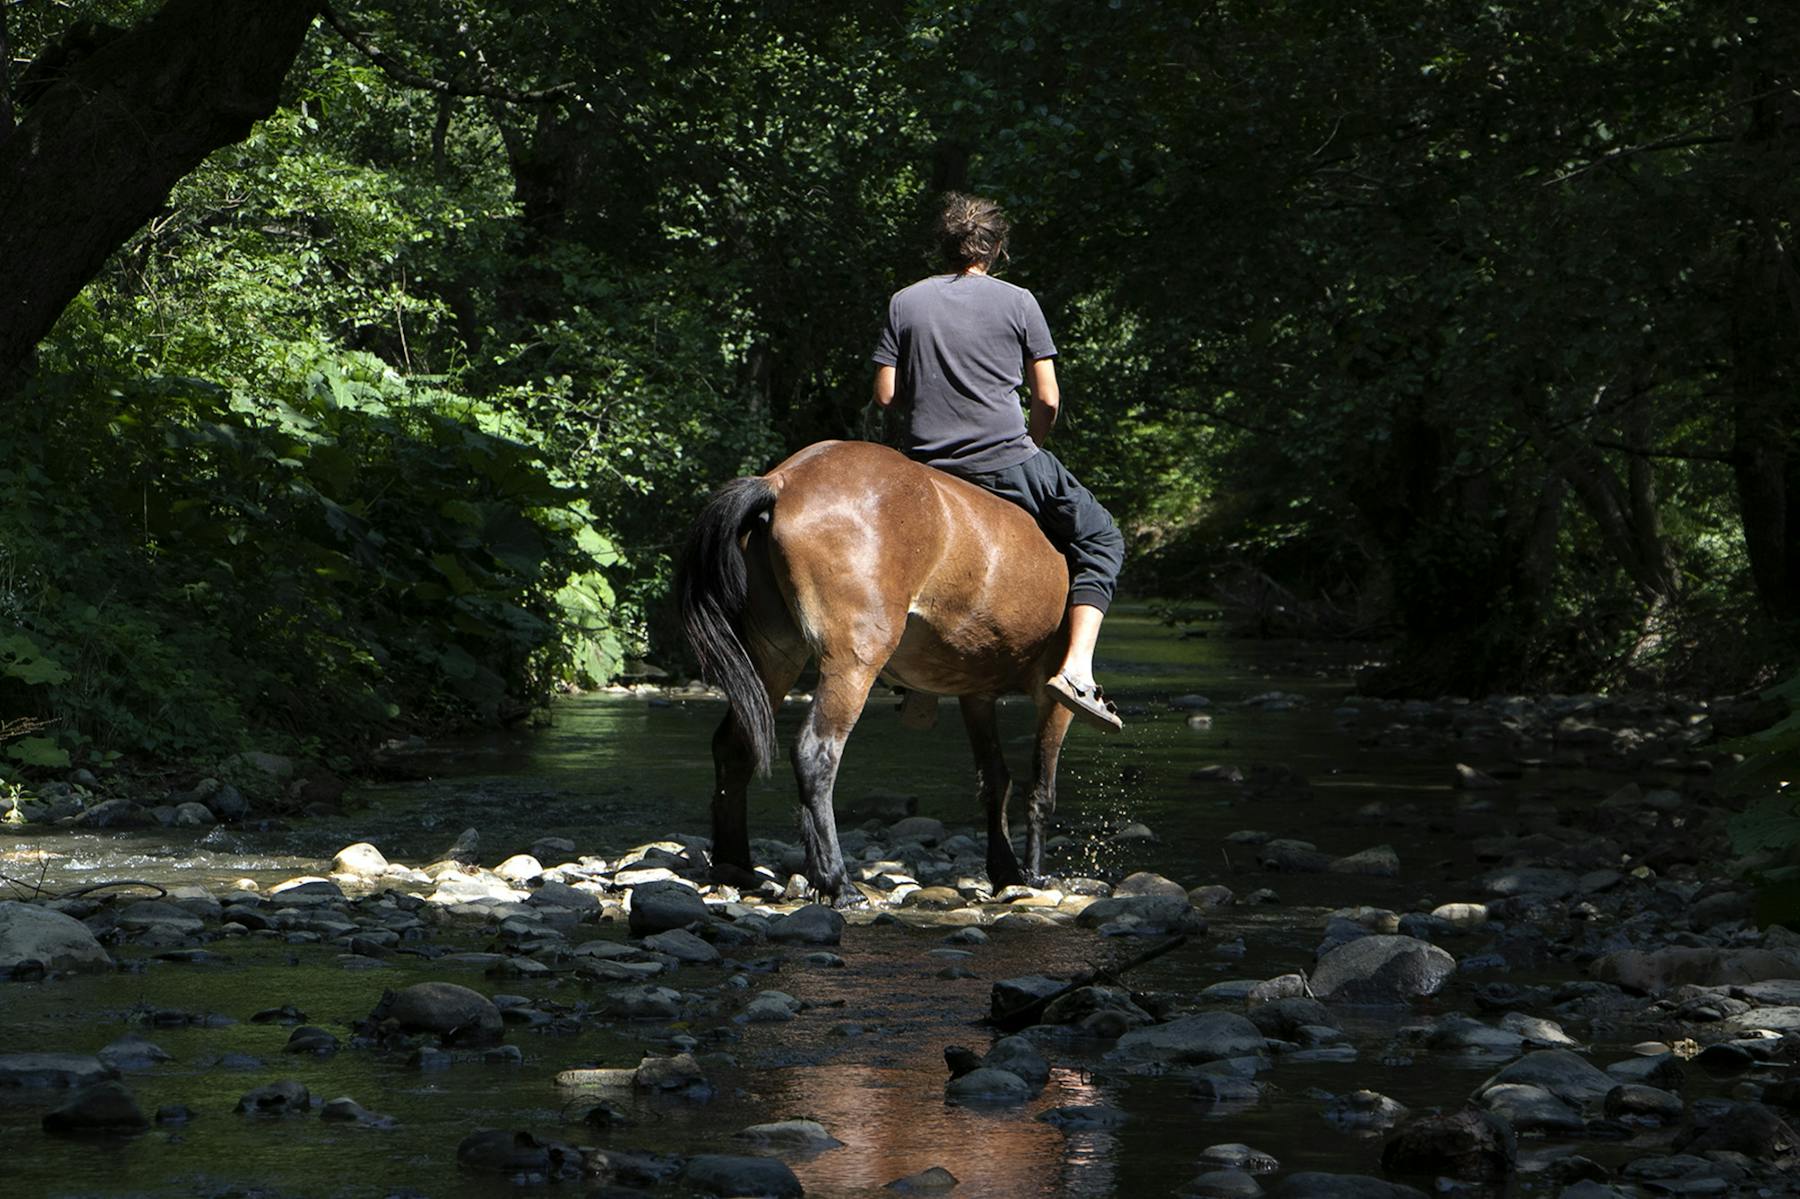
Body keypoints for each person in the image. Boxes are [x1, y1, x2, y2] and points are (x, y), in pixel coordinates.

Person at [870, 193, 1126, 732]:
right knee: (1102, 537)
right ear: (996, 248)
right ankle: (1077, 669)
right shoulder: (1020, 301)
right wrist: (1032, 442)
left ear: (943, 247)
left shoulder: (904, 302)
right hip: (1004, 459)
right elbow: (1048, 399)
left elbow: (887, 395)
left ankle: (907, 678)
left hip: (925, 468)